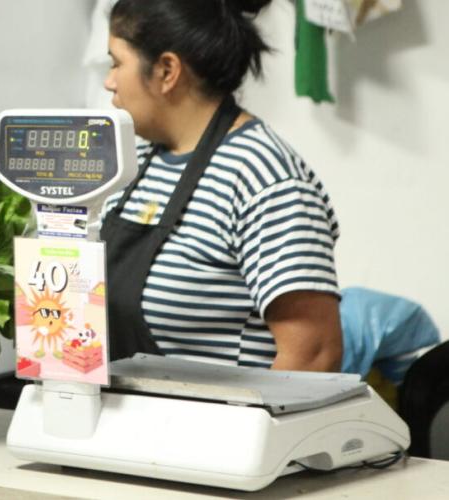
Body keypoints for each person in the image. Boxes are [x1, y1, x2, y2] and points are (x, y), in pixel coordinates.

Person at [100, 0, 343, 371]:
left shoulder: (264, 177)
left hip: (219, 425)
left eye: (117, 63)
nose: (109, 81)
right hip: (131, 419)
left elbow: (313, 355)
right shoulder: (133, 162)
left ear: (167, 70)